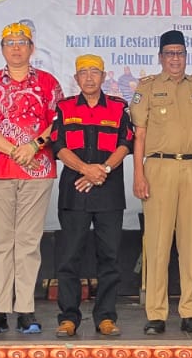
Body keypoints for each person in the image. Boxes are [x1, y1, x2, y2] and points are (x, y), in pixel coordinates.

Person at [0, 22, 63, 334]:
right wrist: (13, 150)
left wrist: (34, 146)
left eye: (22, 42)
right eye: (10, 43)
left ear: (31, 48)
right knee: (1, 242)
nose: (16, 48)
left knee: (28, 242)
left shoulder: (48, 83)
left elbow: (58, 122)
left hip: (38, 171)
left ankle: (25, 309)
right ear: (2, 49)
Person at [131, 30, 192, 335]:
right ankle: (156, 313)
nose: (175, 58)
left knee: (191, 243)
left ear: (186, 56)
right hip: (159, 167)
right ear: (160, 57)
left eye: (180, 53)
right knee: (158, 244)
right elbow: (139, 135)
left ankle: (190, 311)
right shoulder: (148, 88)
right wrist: (138, 174)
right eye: (170, 53)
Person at [49, 54, 134, 338]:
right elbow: (58, 146)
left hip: (109, 191)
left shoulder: (119, 108)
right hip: (75, 190)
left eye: (94, 72)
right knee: (69, 257)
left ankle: (106, 317)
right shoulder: (64, 107)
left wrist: (103, 170)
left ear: (104, 76)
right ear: (76, 78)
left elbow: (126, 143)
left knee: (109, 257)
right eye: (83, 72)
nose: (88, 77)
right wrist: (86, 169)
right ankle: (68, 318)